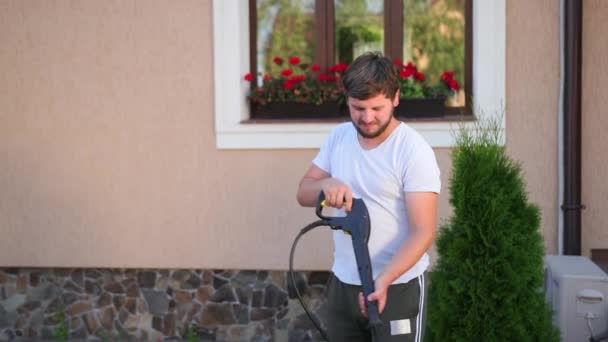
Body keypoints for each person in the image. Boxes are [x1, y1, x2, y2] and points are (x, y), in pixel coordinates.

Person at [296, 52, 441, 342]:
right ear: (347, 100)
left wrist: (384, 280)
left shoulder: (413, 150)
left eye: (377, 107)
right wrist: (326, 184)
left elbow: (423, 231)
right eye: (357, 107)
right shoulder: (339, 138)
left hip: (398, 286)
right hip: (344, 284)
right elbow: (303, 192)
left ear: (395, 98)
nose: (367, 117)